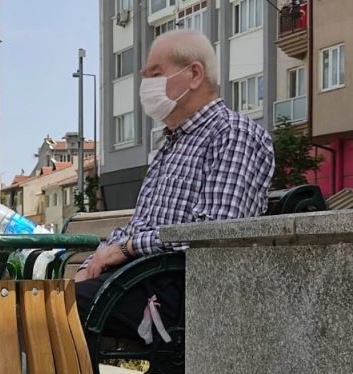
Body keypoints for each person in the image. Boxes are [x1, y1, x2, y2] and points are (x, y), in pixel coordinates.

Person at [74, 30, 275, 337]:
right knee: (44, 300)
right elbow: (138, 225)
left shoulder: (233, 133)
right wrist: (91, 263)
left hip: (182, 289)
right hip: (141, 277)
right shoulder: (171, 142)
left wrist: (127, 249)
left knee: (55, 309)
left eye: (155, 75)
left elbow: (216, 232)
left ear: (194, 74)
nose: (146, 87)